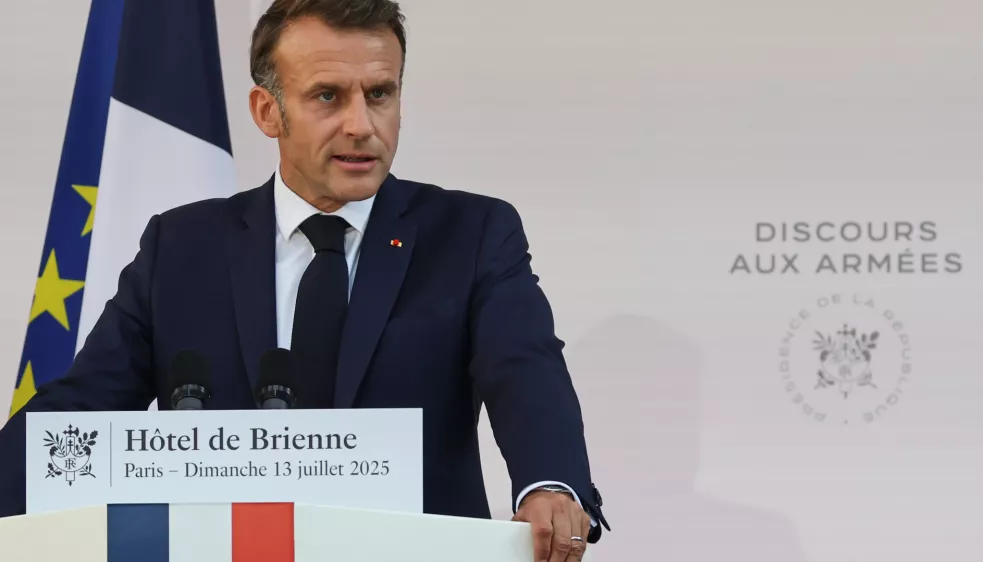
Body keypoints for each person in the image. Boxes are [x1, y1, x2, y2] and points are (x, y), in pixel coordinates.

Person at [0, 1, 608, 560]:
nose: (361, 124)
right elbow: (80, 410)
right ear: (269, 111)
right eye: (327, 97)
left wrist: (550, 482)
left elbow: (525, 368)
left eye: (380, 93)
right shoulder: (182, 248)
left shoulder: (471, 234)